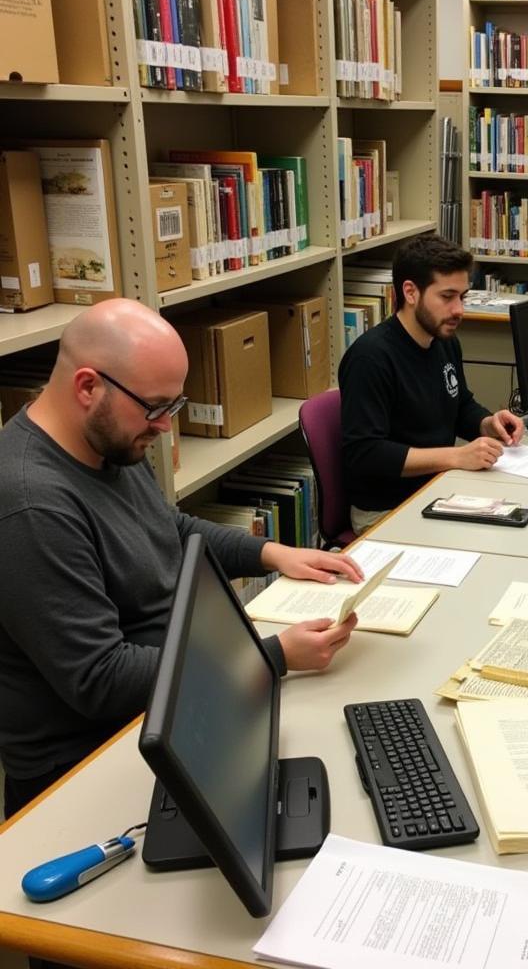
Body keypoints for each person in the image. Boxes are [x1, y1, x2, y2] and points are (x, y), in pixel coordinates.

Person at [0, 299, 365, 820]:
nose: (165, 429)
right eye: (155, 409)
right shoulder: (30, 505)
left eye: (173, 407)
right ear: (87, 387)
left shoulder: (108, 441)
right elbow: (100, 679)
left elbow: (167, 529)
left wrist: (272, 553)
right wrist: (268, 659)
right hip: (89, 763)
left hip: (176, 701)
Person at [339, 234, 525, 534]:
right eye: (447, 296)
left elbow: (459, 404)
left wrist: (488, 424)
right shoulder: (370, 358)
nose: (459, 310)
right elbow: (365, 454)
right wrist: (457, 457)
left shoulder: (443, 340)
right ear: (410, 292)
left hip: (438, 488)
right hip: (386, 509)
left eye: (462, 297)